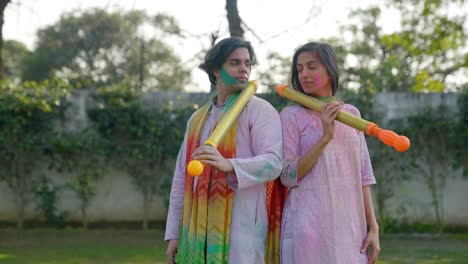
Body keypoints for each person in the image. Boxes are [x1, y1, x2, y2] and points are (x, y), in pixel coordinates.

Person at [164, 37, 283, 264]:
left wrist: (229, 164)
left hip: (242, 228)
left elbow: (274, 163)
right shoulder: (198, 119)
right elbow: (182, 178)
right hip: (196, 230)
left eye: (247, 64)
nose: (243, 70)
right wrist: (174, 234)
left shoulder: (259, 110)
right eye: (235, 63)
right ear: (216, 70)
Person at [279, 42, 380, 264]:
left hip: (351, 232)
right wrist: (324, 137)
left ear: (329, 69)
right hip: (307, 231)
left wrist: (374, 228)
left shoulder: (352, 114)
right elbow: (287, 176)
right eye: (299, 69)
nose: (304, 74)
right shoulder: (291, 116)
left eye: (311, 66)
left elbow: (363, 177)